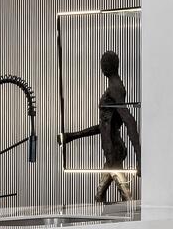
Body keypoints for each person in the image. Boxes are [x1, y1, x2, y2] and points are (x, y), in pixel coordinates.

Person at [60, 48, 141, 204]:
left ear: (109, 65)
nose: (102, 66)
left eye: (104, 63)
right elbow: (103, 126)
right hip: (110, 155)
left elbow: (129, 121)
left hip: (114, 155)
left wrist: (140, 157)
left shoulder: (115, 89)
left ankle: (132, 222)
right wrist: (72, 136)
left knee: (127, 199)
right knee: (99, 197)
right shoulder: (113, 87)